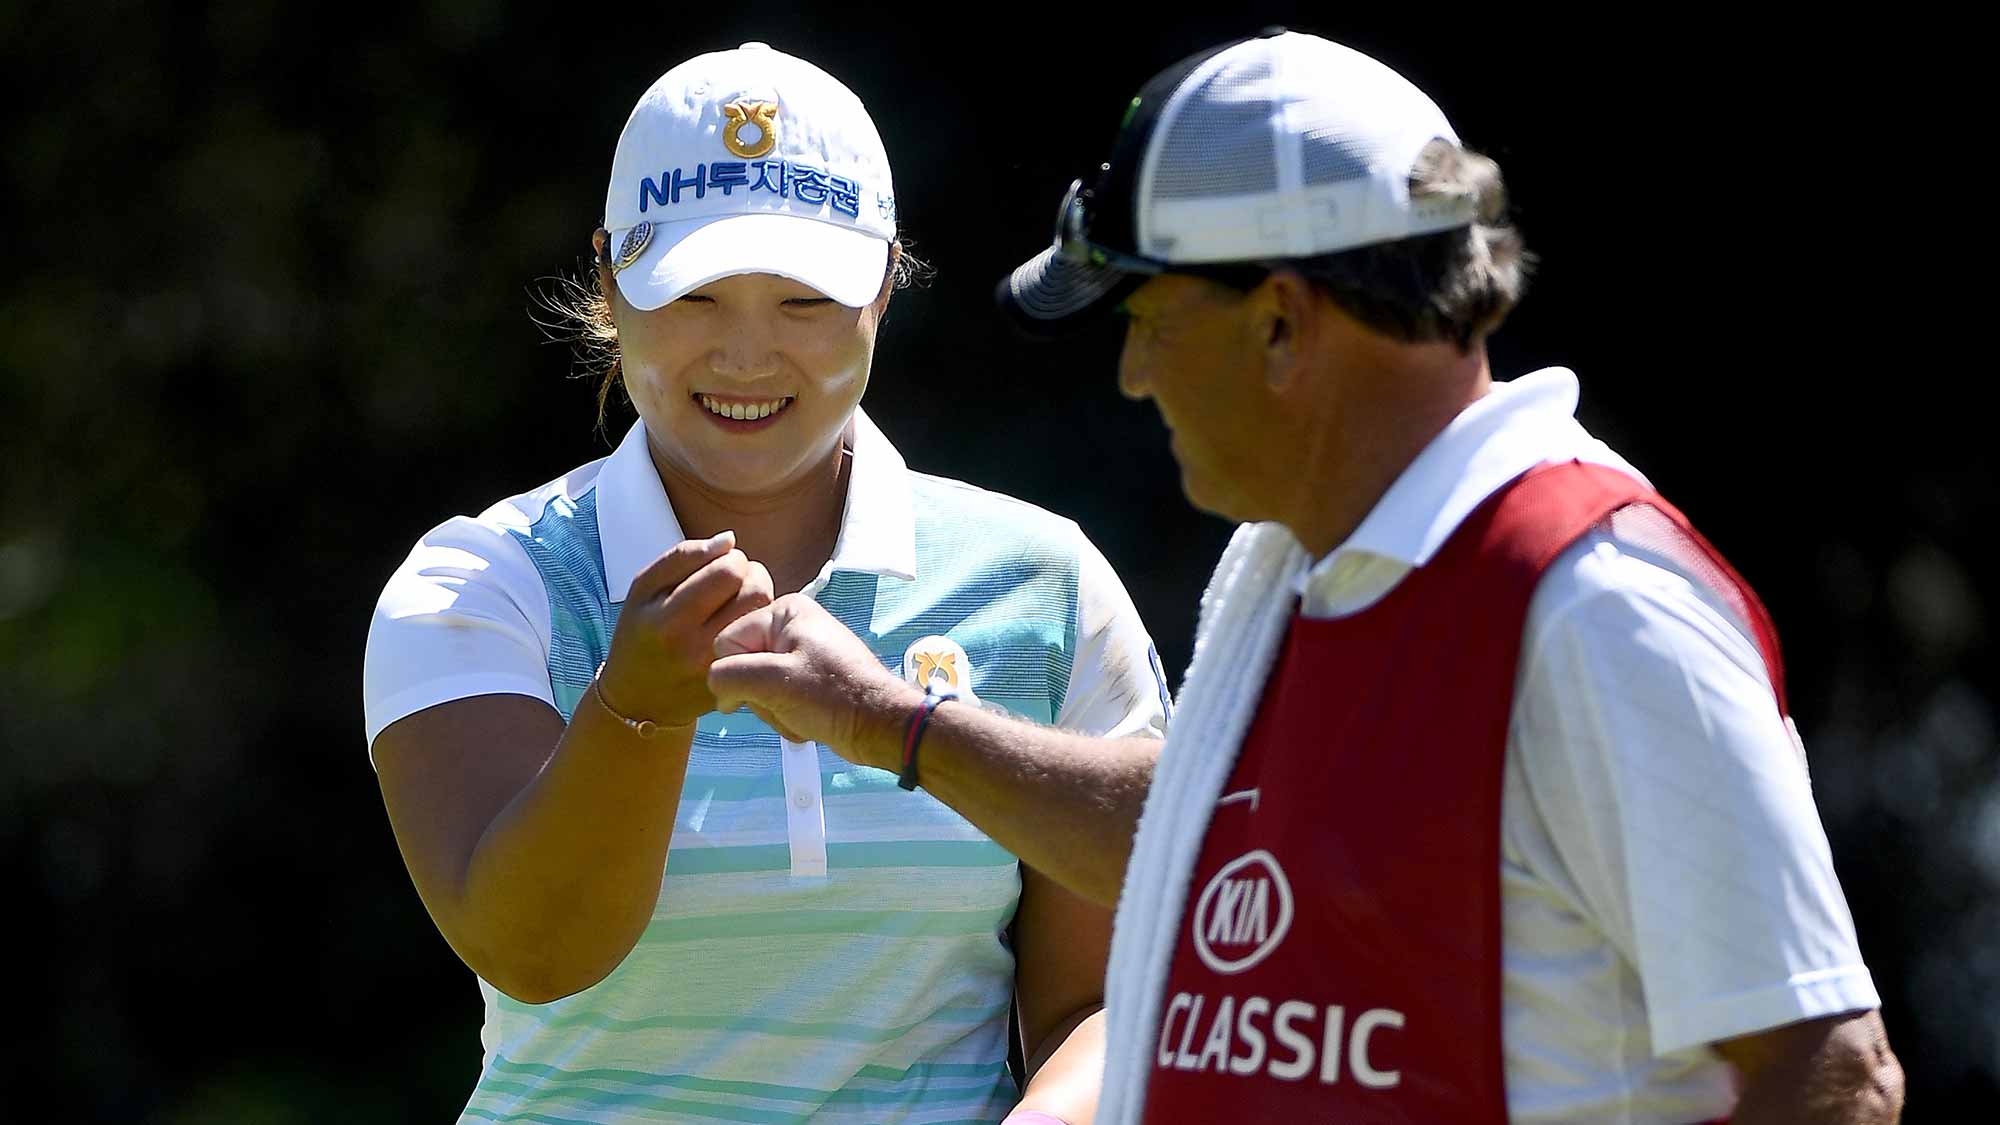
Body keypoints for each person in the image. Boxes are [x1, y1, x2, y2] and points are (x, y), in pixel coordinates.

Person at [707, 28, 1905, 1125]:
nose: (1129, 376)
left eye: (1148, 318)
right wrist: (888, 721)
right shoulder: (1287, 557)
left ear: (1280, 323)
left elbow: (1828, 1072)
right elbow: (1211, 835)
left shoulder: (1593, 601)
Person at [362, 42, 1167, 1124]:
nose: (746, 356)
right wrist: (635, 709)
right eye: (695, 295)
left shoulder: (1044, 582)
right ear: (610, 279)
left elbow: (1105, 1000)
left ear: (882, 283)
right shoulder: (484, 581)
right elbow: (533, 946)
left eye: (800, 300)